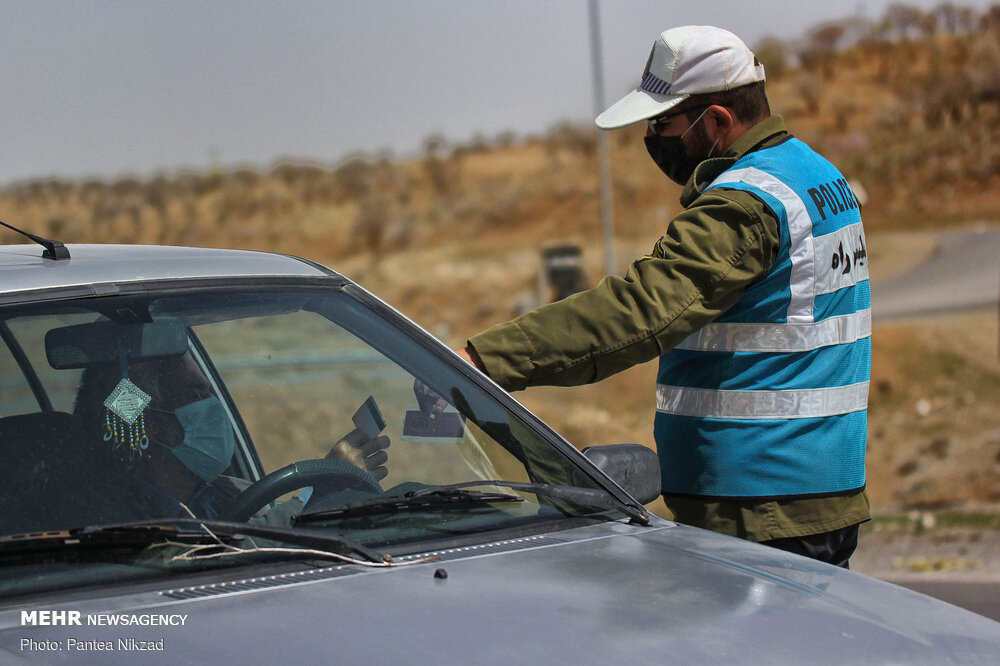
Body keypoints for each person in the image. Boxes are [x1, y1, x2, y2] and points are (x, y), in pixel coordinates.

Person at [447, 26, 871, 567]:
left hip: (759, 505)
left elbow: (638, 310)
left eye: (662, 123)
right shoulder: (815, 175)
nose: (652, 136)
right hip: (816, 486)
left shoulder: (745, 206)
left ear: (718, 120)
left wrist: (486, 360)